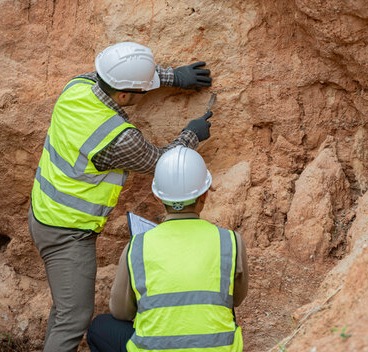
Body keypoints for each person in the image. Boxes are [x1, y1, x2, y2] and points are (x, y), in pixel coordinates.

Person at [28, 41, 215, 352]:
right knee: (75, 319)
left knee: (65, 311)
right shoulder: (118, 138)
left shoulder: (79, 86)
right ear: (125, 96)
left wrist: (173, 77)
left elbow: (121, 75)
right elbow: (161, 162)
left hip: (44, 211)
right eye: (140, 90)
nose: (143, 93)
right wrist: (191, 135)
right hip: (67, 232)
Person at [86, 146, 249, 352]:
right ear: (205, 194)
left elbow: (121, 312)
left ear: (158, 197)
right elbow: (236, 298)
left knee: (99, 328)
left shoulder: (136, 247)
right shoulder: (231, 241)